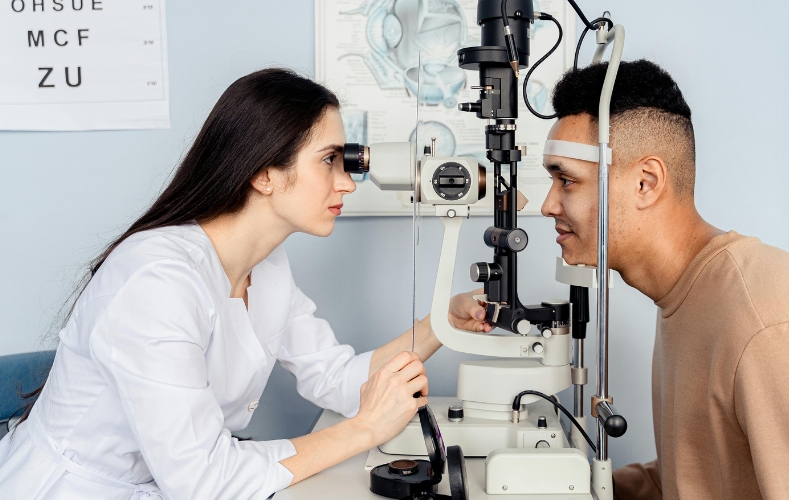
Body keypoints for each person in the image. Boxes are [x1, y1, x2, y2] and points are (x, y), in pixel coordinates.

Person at [0, 68, 489, 500]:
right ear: (263, 174)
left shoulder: (268, 266)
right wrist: (363, 432)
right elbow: (204, 482)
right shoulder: (156, 281)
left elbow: (339, 380)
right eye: (329, 160)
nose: (347, 183)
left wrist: (440, 324)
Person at [540, 60, 789, 498]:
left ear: (645, 183)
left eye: (566, 181)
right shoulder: (689, 297)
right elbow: (707, 476)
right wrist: (565, 487)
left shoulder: (772, 333)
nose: (548, 205)